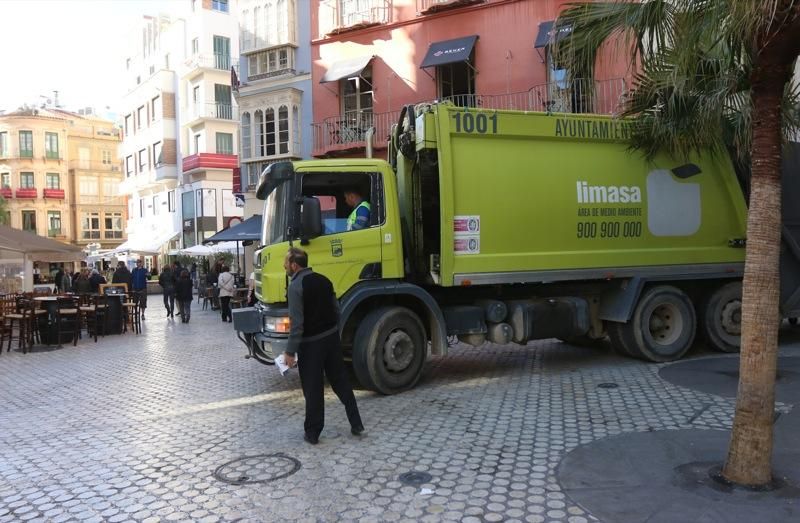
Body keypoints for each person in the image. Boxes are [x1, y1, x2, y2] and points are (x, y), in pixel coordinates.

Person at [282, 247, 364, 445]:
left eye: (286, 263)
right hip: (330, 339)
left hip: (311, 346)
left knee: (313, 388)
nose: (285, 267)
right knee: (341, 381)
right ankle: (357, 423)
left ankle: (313, 433)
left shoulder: (295, 287)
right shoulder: (324, 280)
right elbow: (336, 310)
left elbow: (297, 324)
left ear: (294, 264)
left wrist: (290, 351)